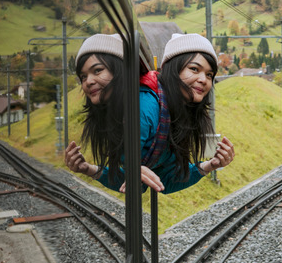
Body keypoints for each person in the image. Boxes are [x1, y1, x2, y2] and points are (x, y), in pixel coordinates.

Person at [65, 33, 234, 194]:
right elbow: (133, 181)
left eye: (209, 74)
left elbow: (164, 181)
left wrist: (210, 165)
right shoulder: (147, 108)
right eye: (194, 69)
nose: (204, 79)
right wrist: (91, 170)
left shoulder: (173, 113)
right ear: (174, 70)